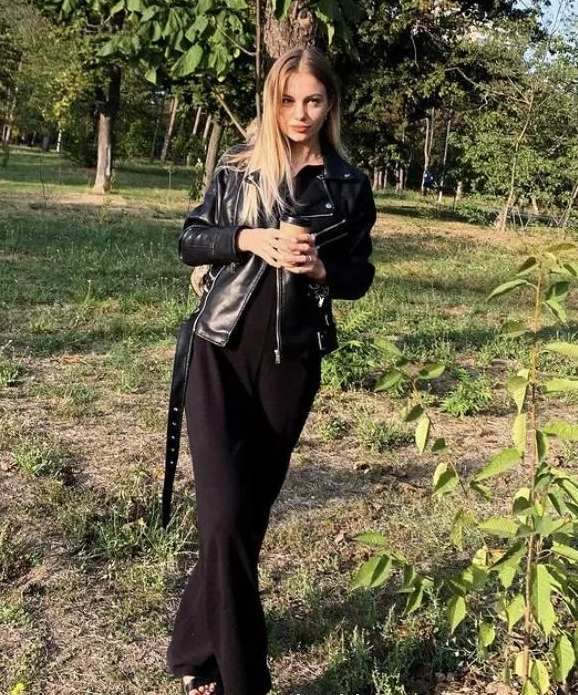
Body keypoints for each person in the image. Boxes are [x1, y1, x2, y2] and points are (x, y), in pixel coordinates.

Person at [162, 46, 377, 695]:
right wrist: (246, 238)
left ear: (330, 104)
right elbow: (190, 240)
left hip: (291, 364)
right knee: (223, 517)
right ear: (271, 101)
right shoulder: (238, 169)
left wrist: (321, 269)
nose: (300, 112)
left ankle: (193, 649)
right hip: (219, 352)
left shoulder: (347, 184)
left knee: (244, 519)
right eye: (287, 100)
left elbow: (360, 274)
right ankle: (242, 679)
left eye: (313, 100)